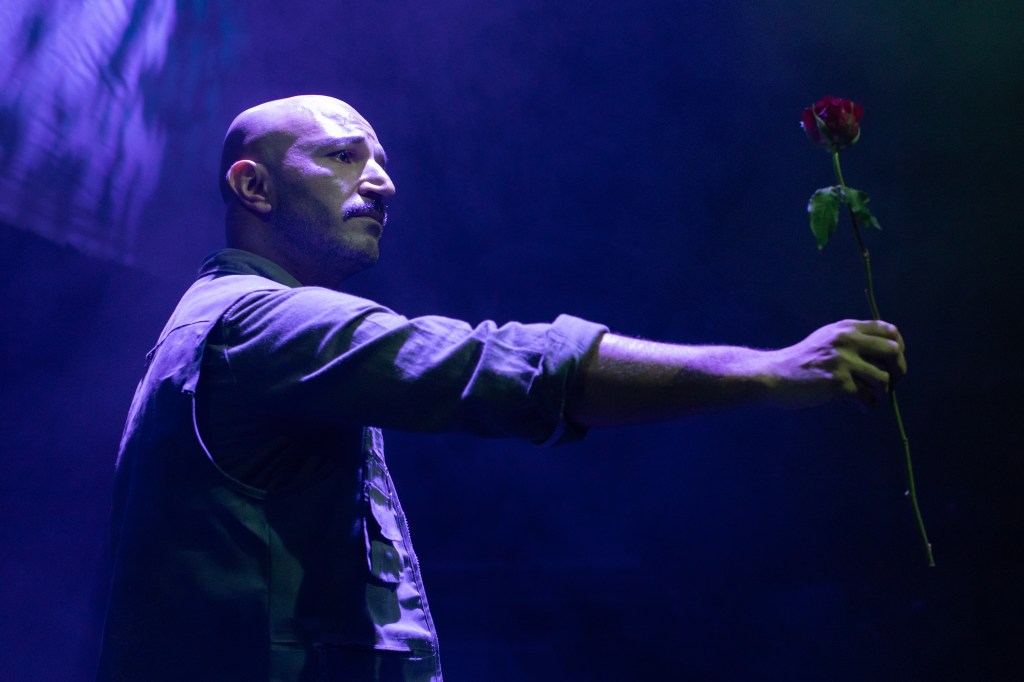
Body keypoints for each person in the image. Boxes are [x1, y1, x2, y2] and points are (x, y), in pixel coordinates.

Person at [97, 95, 906, 682]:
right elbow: (493, 367)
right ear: (255, 188)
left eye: (382, 162)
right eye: (343, 156)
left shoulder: (220, 322)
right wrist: (766, 370)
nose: (380, 183)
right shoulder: (255, 324)